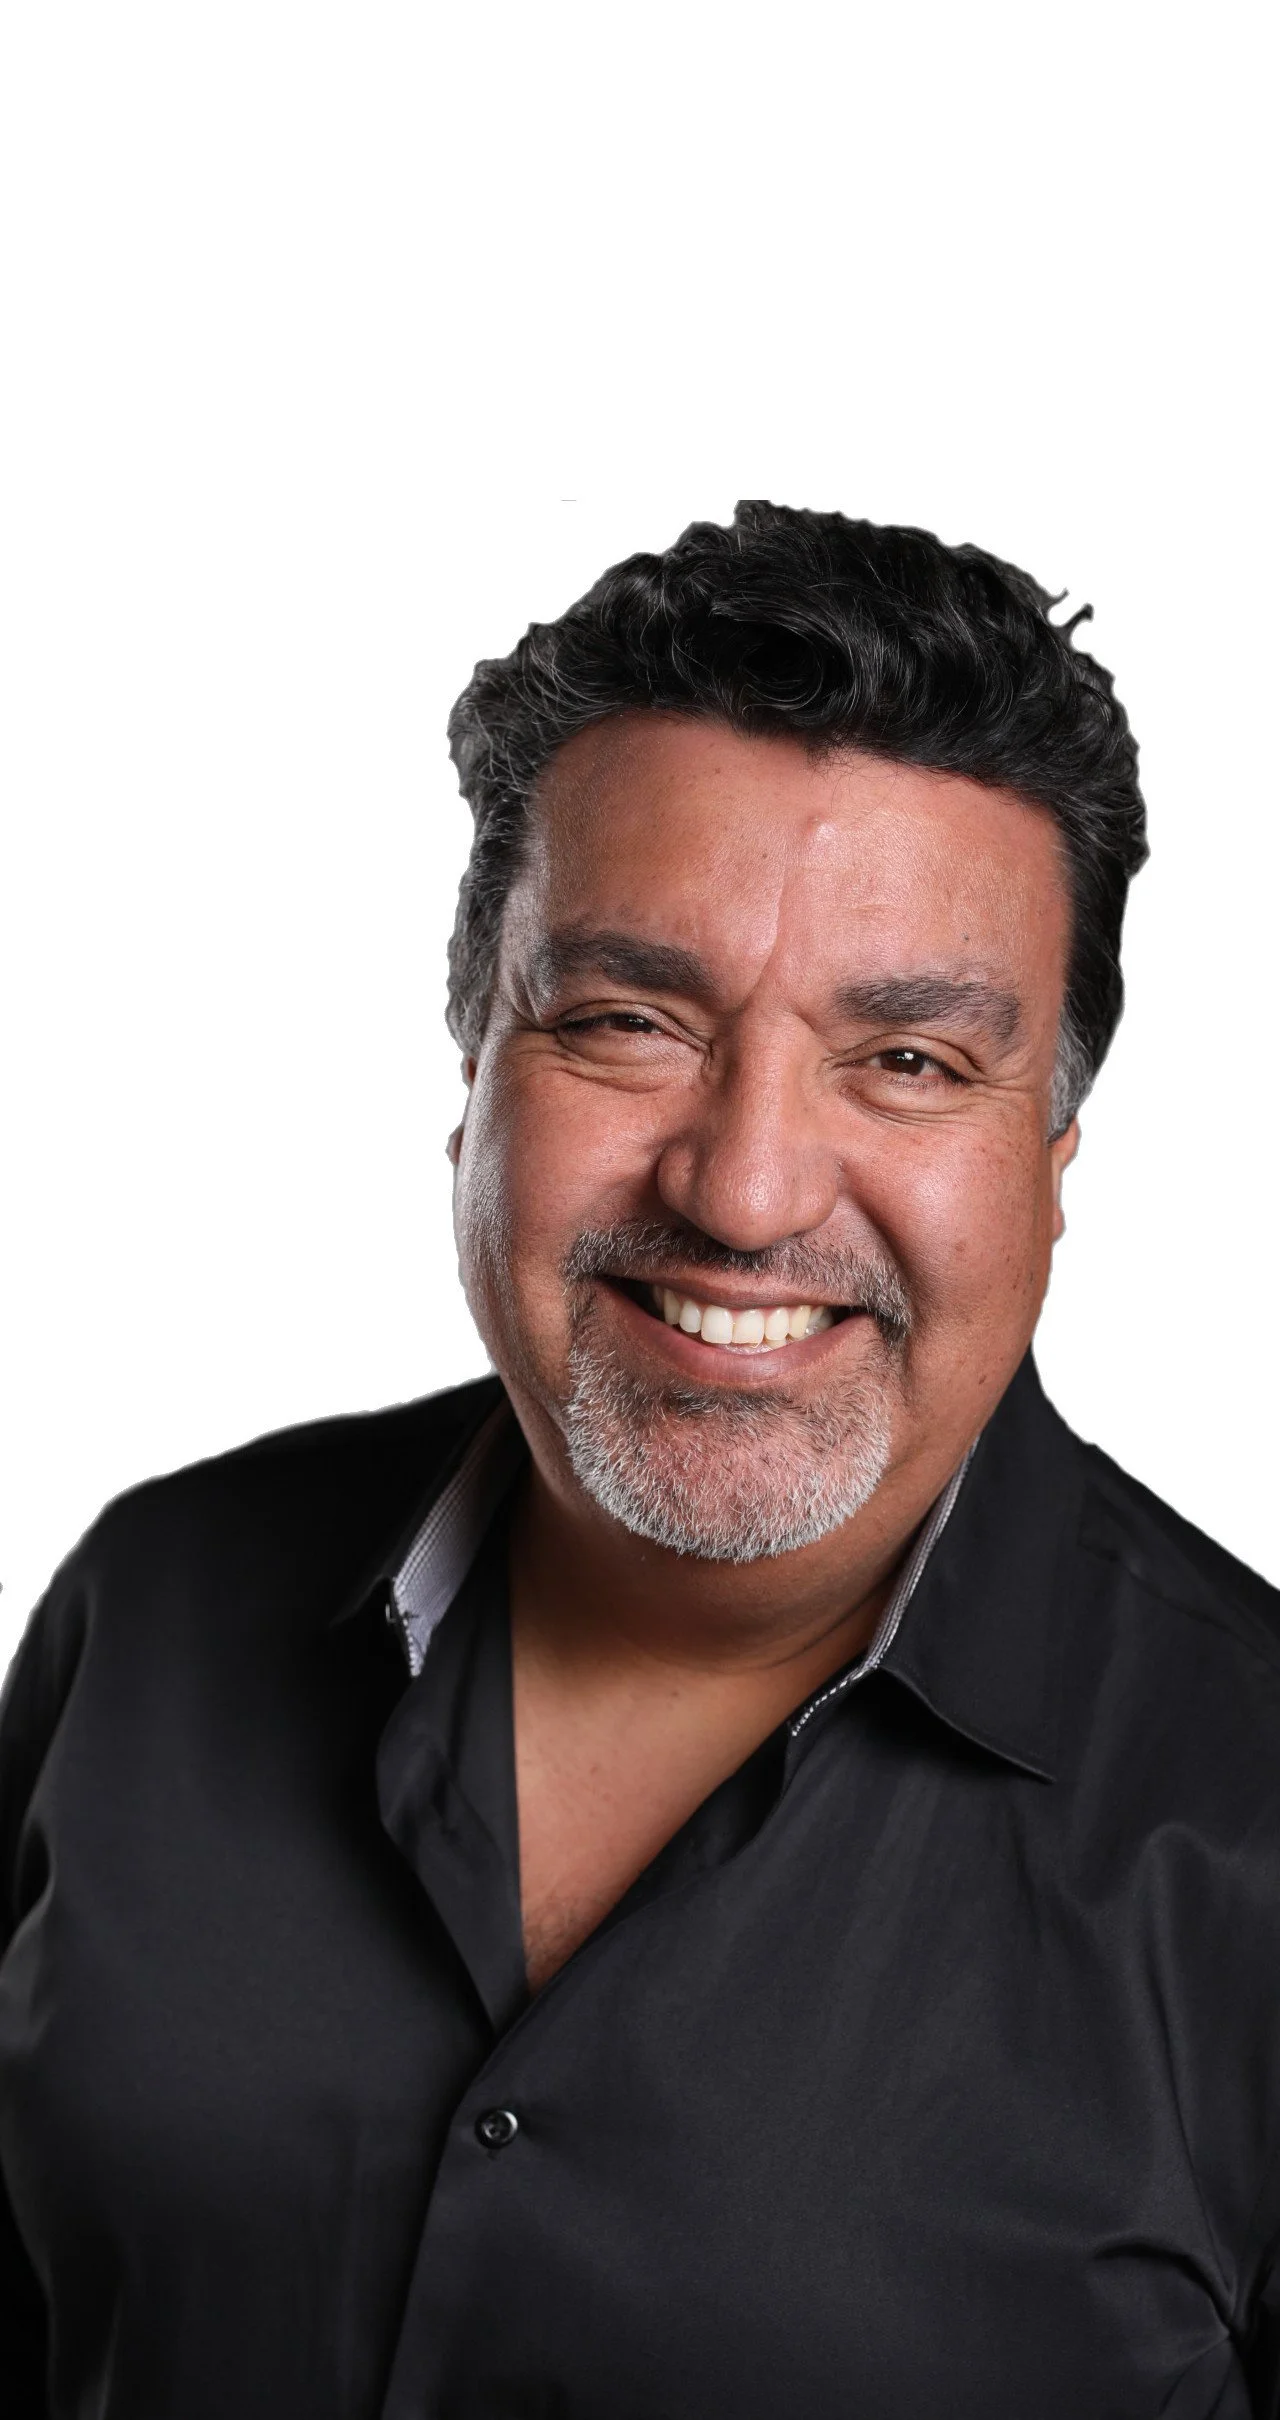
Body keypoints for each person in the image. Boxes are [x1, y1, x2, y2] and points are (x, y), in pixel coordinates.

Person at [3, 500, 1278, 2419]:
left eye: (910, 1061)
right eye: (628, 1022)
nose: (746, 1190)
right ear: (471, 1071)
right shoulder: (155, 1603)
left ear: (1054, 1158)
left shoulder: (1253, 1838)